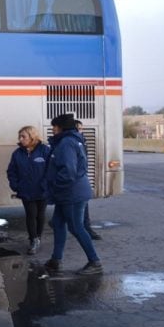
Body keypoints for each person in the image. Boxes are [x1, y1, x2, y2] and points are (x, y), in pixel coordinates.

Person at [44, 114, 103, 275]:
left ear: (61, 127)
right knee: (57, 223)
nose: (52, 129)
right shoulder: (71, 140)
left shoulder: (66, 143)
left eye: (54, 126)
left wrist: (55, 186)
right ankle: (56, 260)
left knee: (76, 227)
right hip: (70, 191)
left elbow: (68, 172)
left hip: (71, 192)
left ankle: (94, 261)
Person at [6, 126, 51, 255]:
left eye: (23, 136)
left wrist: (45, 184)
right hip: (26, 190)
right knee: (31, 215)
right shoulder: (17, 153)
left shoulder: (44, 150)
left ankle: (38, 237)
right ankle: (33, 240)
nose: (21, 139)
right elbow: (11, 171)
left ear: (32, 137)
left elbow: (50, 169)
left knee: (40, 215)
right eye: (19, 136)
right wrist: (16, 185)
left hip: (42, 190)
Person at [75, 120, 102, 240]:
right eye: (79, 129)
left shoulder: (82, 141)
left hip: (81, 178)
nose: (81, 131)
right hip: (76, 179)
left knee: (83, 203)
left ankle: (86, 227)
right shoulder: (74, 143)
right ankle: (85, 228)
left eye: (82, 129)